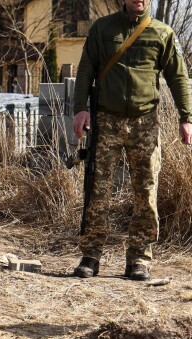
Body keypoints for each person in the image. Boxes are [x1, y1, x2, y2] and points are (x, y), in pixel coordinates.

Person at [72, 0, 192, 281]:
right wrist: (80, 109)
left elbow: (179, 77)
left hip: (145, 123)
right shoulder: (102, 29)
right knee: (97, 190)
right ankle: (90, 255)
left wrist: (186, 117)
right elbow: (86, 69)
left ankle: (139, 259)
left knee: (146, 190)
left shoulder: (162, 33)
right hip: (106, 121)